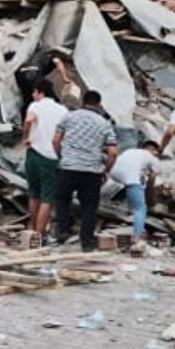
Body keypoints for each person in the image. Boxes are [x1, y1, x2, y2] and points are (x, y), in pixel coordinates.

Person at [51, 90, 118, 252]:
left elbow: (55, 141)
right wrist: (106, 170)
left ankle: (63, 230)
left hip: (69, 167)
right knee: (89, 206)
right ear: (99, 105)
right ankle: (87, 242)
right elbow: (113, 152)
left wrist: (62, 157)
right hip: (91, 171)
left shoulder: (69, 117)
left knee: (61, 198)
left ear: (83, 101)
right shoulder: (104, 123)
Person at [23, 80, 68, 239]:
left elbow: (29, 120)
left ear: (40, 92)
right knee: (47, 197)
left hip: (34, 154)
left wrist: (25, 137)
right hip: (52, 156)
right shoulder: (62, 110)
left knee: (34, 194)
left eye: (34, 92)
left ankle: (32, 230)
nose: (33, 95)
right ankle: (39, 235)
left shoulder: (35, 106)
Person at [110, 141, 161, 242]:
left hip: (114, 172)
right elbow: (151, 181)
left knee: (136, 185)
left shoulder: (132, 151)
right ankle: (137, 237)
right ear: (155, 151)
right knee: (141, 208)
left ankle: (133, 215)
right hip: (130, 175)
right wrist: (151, 200)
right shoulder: (153, 158)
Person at [15, 49, 73, 126]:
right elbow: (58, 62)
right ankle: (63, 118)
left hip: (21, 73)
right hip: (34, 73)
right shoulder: (51, 57)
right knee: (51, 96)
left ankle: (24, 124)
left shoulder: (34, 57)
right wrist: (64, 77)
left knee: (27, 100)